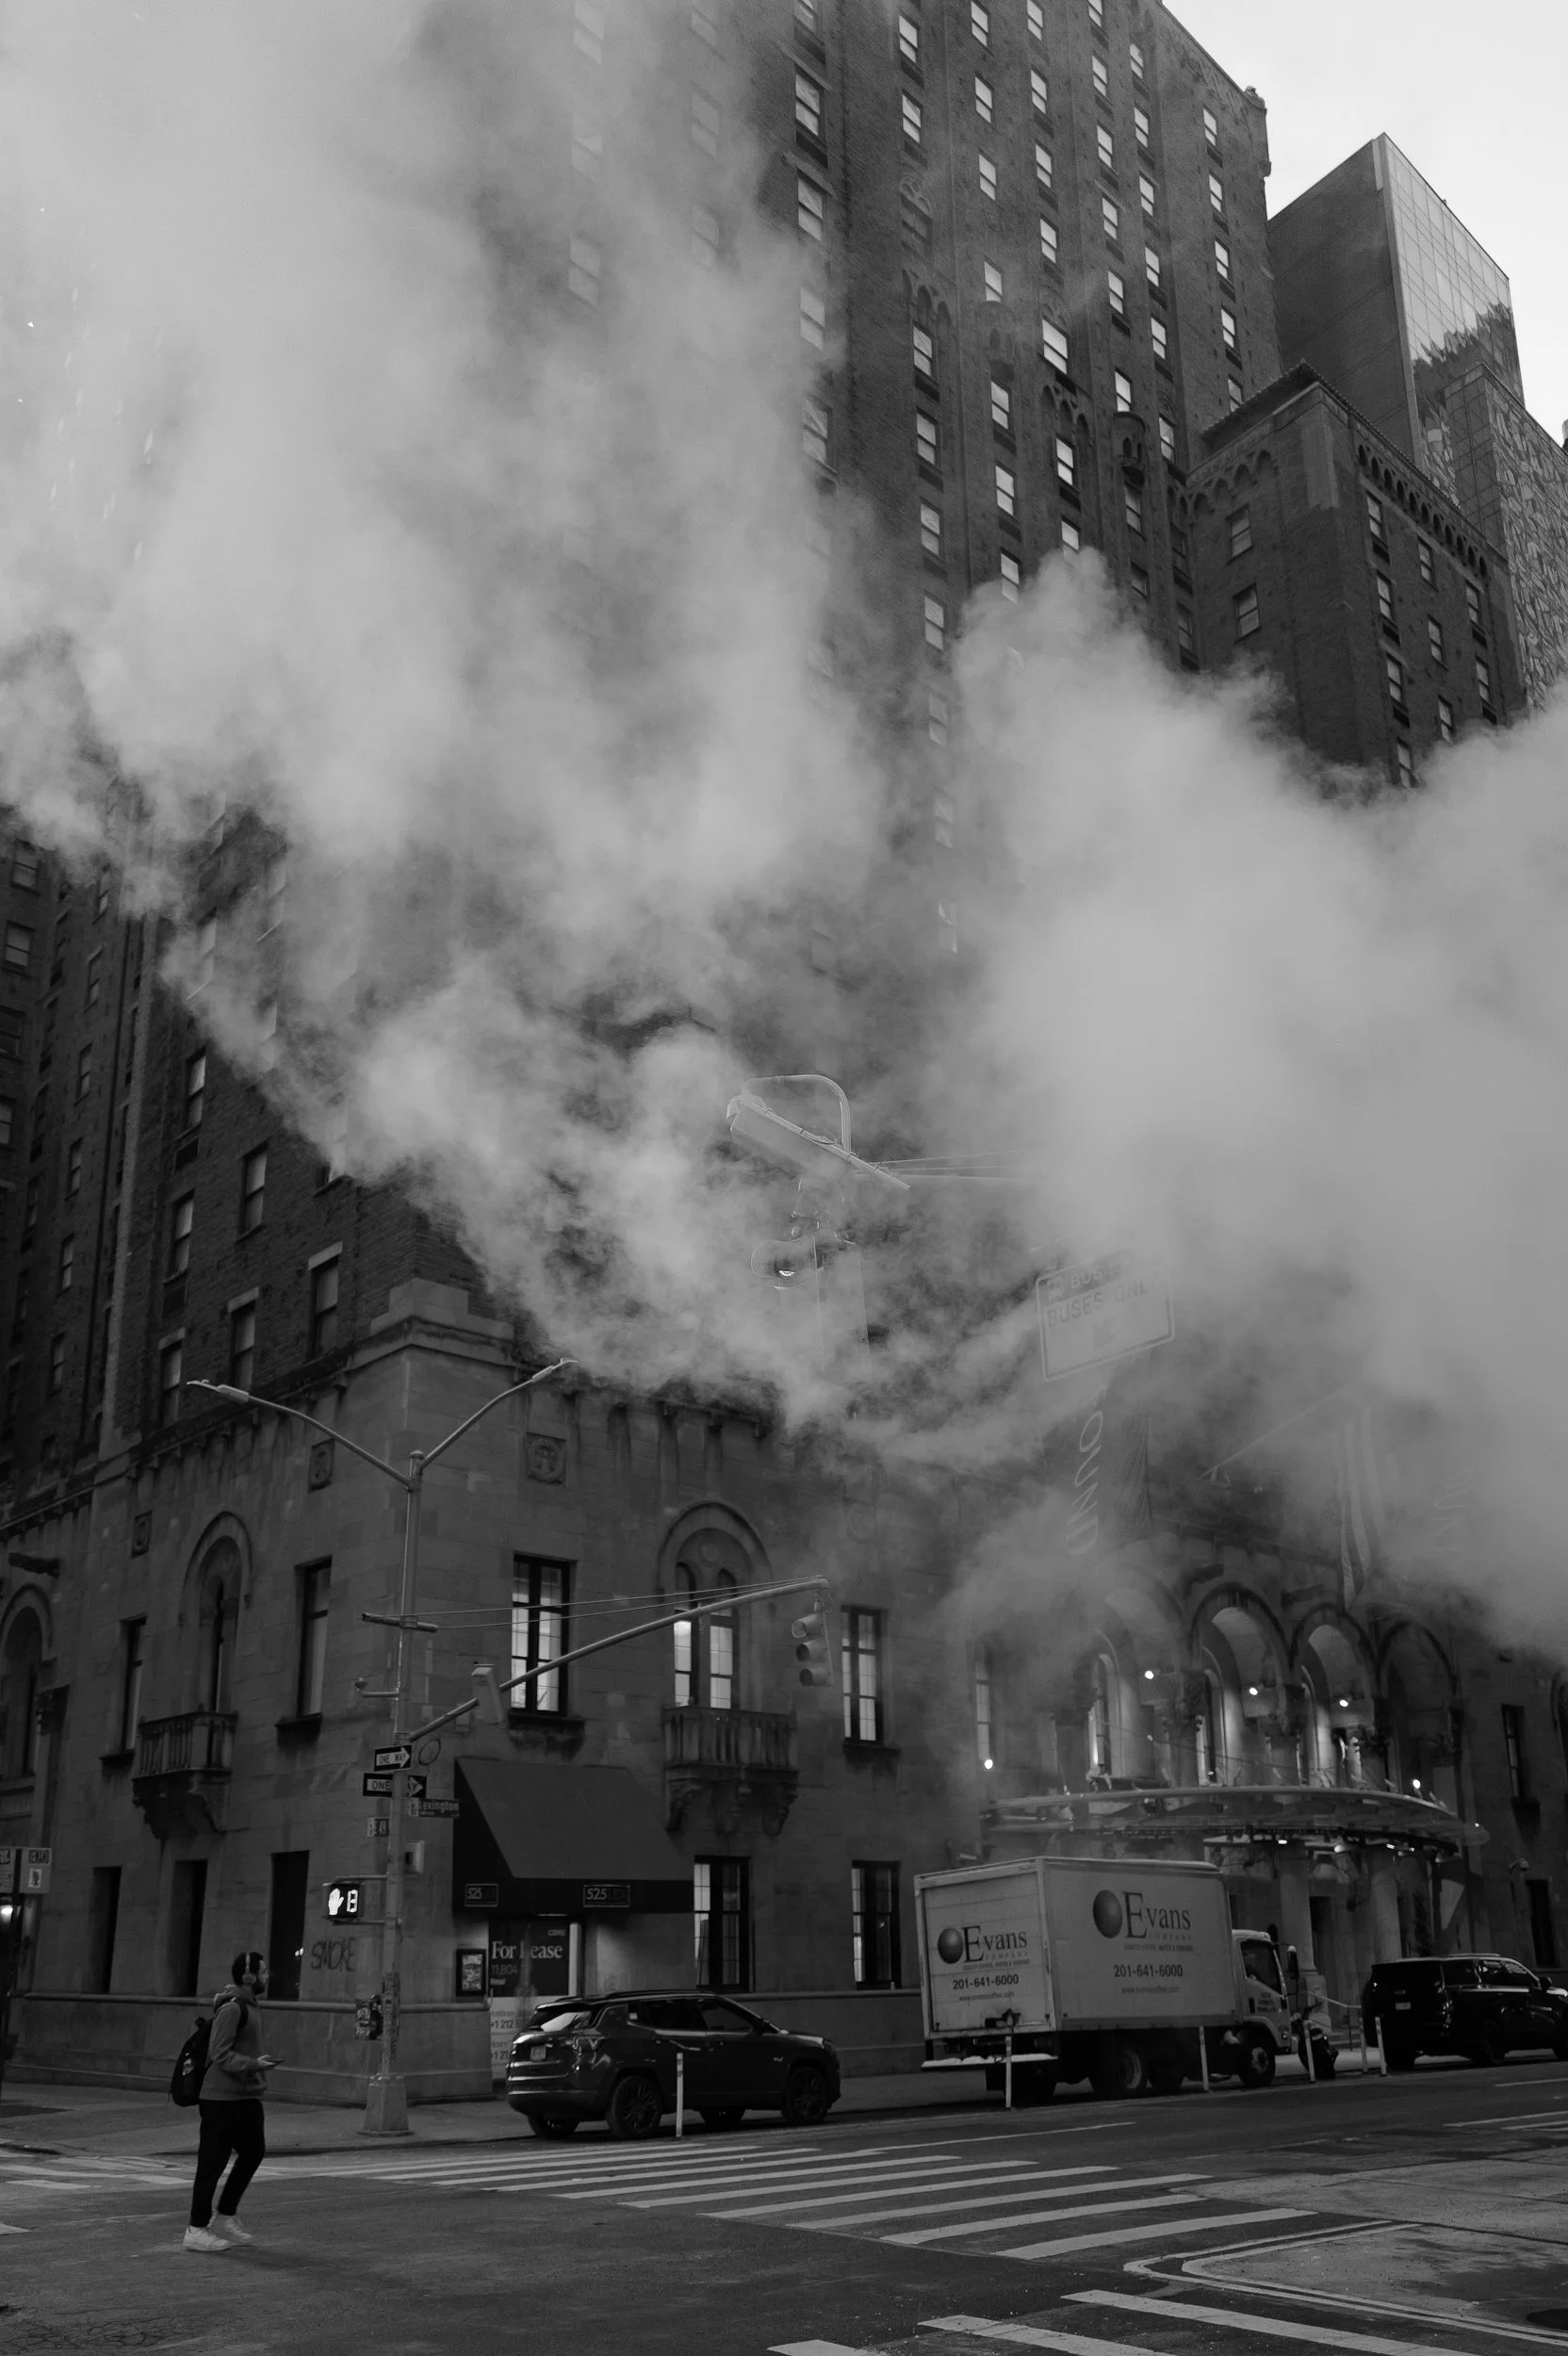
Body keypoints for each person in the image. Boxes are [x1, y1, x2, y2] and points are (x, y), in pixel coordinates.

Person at [184, 1950, 276, 2253]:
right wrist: (253, 2064)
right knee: (212, 2162)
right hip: (220, 2099)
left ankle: (224, 2216)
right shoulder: (233, 2009)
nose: (267, 1976)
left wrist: (255, 2067)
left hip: (245, 2096)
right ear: (248, 1976)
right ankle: (196, 2229)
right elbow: (219, 2054)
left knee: (253, 2152)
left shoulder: (252, 2007)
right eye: (263, 1971)